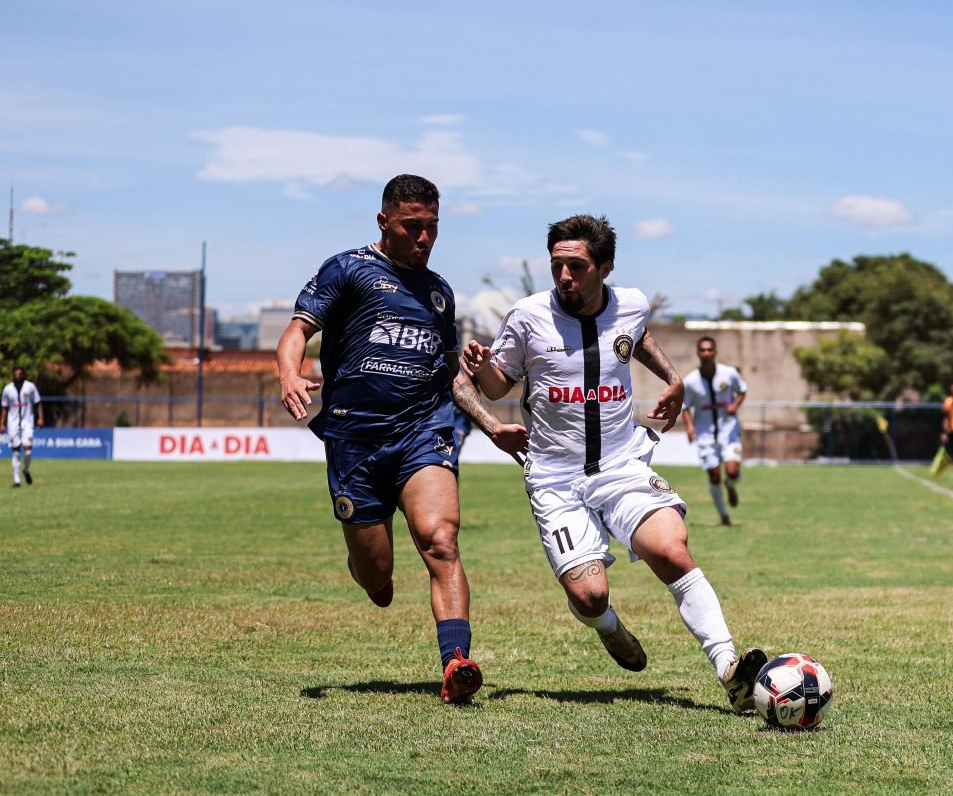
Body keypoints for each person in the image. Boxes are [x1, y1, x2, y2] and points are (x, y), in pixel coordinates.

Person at [463, 214, 766, 713]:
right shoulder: (527, 317)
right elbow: (499, 386)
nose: (564, 276)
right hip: (555, 478)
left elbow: (635, 334)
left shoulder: (630, 304)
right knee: (589, 597)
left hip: (621, 464)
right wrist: (482, 372)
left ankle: (729, 670)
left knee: (670, 549)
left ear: (604, 267)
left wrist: (673, 380)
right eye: (557, 265)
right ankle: (607, 625)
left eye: (576, 266)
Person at [277, 174, 527, 705]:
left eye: (432, 227)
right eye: (413, 226)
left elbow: (450, 377)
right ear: (384, 221)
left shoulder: (439, 294)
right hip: (353, 441)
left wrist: (491, 424)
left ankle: (456, 662)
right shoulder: (347, 269)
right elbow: (298, 330)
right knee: (378, 578)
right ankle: (368, 568)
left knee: (440, 540)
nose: (424, 238)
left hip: (421, 433)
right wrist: (290, 371)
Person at [680, 337, 747, 526]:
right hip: (705, 434)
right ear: (698, 353)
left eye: (710, 350)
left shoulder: (729, 373)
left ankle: (731, 485)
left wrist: (735, 405)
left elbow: (742, 390)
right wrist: (690, 427)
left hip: (729, 430)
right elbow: (685, 407)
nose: (707, 353)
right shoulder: (691, 381)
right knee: (715, 475)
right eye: (703, 350)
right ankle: (724, 516)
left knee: (732, 472)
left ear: (715, 352)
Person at [2, 366, 43, 488]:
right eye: (15, 374)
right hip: (13, 423)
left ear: (23, 375)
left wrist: (40, 418)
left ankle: (25, 469)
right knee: (15, 450)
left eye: (19, 374)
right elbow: (4, 407)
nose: (17, 376)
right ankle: (17, 480)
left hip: (27, 422)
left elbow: (38, 402)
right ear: (12, 375)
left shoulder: (30, 387)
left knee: (27, 450)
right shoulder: (8, 389)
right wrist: (1, 423)